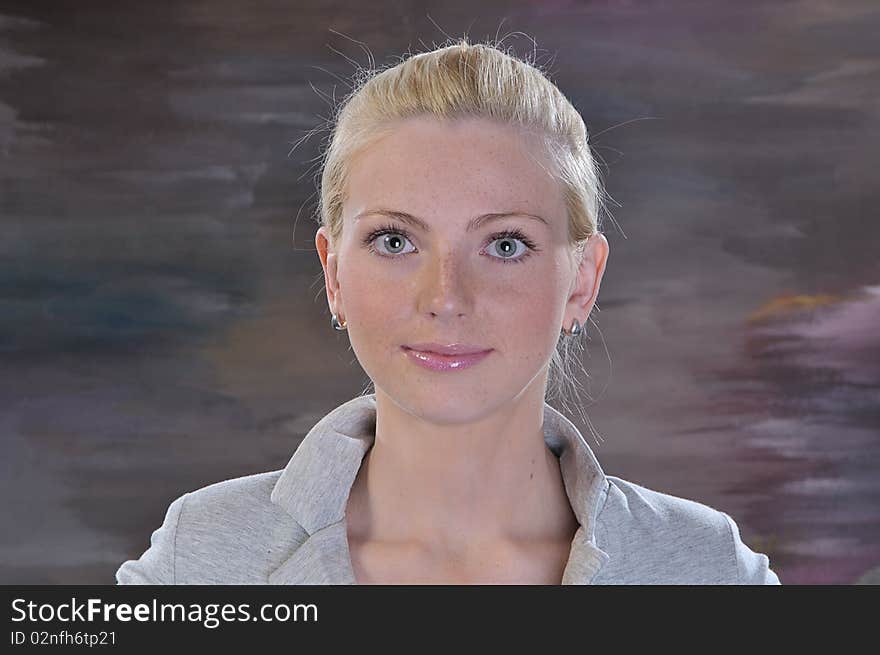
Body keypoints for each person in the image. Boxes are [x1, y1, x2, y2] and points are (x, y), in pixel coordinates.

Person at [116, 37, 781, 585]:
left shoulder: (710, 570)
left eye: (505, 243)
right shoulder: (197, 561)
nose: (445, 297)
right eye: (395, 240)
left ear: (582, 280)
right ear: (334, 273)